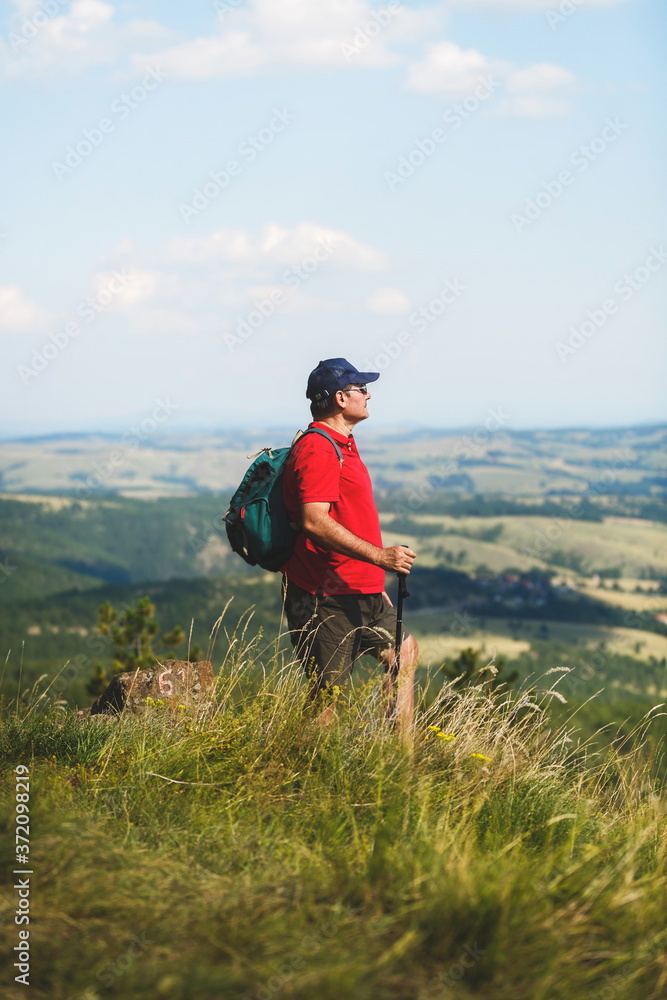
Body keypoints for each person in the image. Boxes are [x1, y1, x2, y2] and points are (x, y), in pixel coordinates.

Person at [281, 358, 418, 734]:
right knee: (327, 699)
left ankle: (398, 763)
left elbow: (348, 516)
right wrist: (379, 556)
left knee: (404, 654)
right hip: (326, 594)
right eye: (362, 389)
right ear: (341, 398)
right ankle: (296, 773)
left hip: (361, 588)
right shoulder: (319, 449)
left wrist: (373, 579)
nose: (368, 394)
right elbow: (314, 520)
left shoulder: (343, 443)